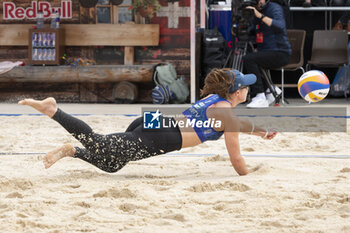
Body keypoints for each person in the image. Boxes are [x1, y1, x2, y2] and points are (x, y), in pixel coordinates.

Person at [18, 69, 277, 176]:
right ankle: (54, 110)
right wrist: (250, 174)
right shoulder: (225, 114)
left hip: (156, 122)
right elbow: (236, 160)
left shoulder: (214, 99)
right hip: (164, 137)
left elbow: (237, 124)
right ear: (236, 91)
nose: (248, 90)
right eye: (245, 87)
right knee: (100, 144)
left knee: (113, 164)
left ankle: (71, 151)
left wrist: (261, 132)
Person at [244, 0, 291, 108]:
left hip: (280, 52)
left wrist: (259, 15)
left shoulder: (274, 8)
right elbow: (251, 31)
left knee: (249, 59)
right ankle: (270, 90)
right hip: (265, 51)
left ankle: (260, 96)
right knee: (249, 58)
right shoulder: (255, 11)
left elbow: (280, 25)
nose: (258, 3)